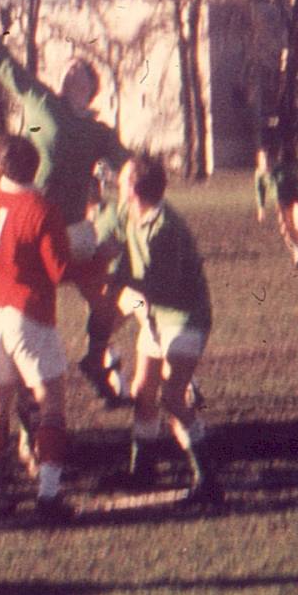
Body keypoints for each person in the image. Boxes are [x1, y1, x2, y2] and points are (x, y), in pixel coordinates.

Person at [0, 0, 130, 405]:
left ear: (92, 87)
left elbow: (129, 170)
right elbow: (4, 63)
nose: (70, 73)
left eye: (78, 70)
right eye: (66, 69)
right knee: (27, 313)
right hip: (29, 227)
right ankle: (13, 394)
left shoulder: (99, 132)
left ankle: (94, 358)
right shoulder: (42, 101)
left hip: (72, 230)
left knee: (113, 299)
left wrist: (132, 201)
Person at [0, 136, 75, 523]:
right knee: (51, 400)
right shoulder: (42, 208)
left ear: (2, 166)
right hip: (27, 312)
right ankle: (49, 494)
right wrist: (95, 256)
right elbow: (59, 270)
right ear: (35, 169)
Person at [98, 155, 221, 504]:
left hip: (184, 317)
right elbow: (102, 236)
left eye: (122, 179)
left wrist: (118, 287)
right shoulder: (127, 211)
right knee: (143, 391)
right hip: (155, 315)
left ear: (134, 188)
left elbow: (161, 287)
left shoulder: (167, 227)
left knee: (173, 396)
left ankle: (208, 478)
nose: (116, 183)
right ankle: (143, 470)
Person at [254, 147, 298, 268]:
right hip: (280, 202)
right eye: (262, 159)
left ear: (274, 159)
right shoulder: (259, 173)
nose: (266, 162)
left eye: (268, 159)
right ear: (259, 160)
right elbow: (259, 190)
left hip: (295, 199)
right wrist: (261, 208)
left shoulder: (285, 169)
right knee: (285, 229)